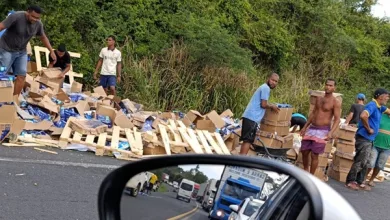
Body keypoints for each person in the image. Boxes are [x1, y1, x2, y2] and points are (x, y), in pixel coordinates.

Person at [0, 5, 56, 96]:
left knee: (21, 75)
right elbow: (1, 26)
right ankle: (2, 98)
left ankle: (15, 100)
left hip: (21, 52)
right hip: (6, 49)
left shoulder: (38, 24)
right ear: (28, 12)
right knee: (2, 75)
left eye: (37, 18)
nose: (35, 19)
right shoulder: (16, 16)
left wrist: (51, 51)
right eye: (33, 16)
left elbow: (43, 37)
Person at [345, 88, 390, 191]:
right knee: (360, 160)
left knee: (366, 161)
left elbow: (388, 111)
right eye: (386, 96)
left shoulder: (380, 108)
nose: (387, 98)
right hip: (364, 137)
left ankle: (360, 182)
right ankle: (350, 181)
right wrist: (368, 128)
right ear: (380, 96)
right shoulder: (372, 105)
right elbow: (363, 115)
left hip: (369, 139)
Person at [300, 79, 341, 175]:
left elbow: (337, 119)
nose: (328, 87)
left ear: (334, 88)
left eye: (330, 85)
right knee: (304, 151)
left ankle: (311, 175)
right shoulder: (319, 98)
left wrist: (331, 132)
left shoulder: (335, 102)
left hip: (323, 130)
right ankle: (305, 171)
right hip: (312, 128)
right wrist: (305, 126)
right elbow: (313, 113)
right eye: (326, 85)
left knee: (315, 154)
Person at [239, 73, 280, 155]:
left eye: (276, 81)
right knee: (248, 140)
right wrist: (272, 106)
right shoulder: (266, 88)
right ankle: (240, 162)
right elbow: (263, 104)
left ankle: (239, 160)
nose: (274, 82)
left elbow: (263, 103)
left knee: (247, 140)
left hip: (250, 117)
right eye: (272, 80)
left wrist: (270, 105)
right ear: (268, 79)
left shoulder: (264, 87)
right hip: (252, 117)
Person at [365, 114, 390, 187]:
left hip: (387, 148)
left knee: (379, 165)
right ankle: (364, 179)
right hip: (375, 144)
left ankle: (371, 180)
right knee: (370, 163)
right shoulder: (381, 116)